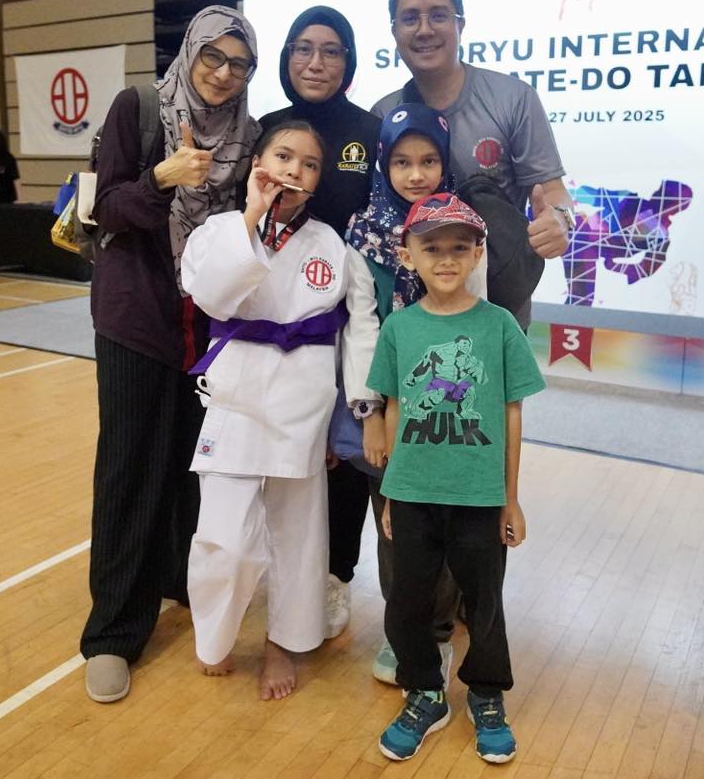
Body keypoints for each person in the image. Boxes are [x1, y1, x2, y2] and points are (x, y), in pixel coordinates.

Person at [81, 5, 260, 704]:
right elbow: (103, 208)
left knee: (193, 465)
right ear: (190, 52)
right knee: (129, 465)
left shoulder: (249, 136)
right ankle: (112, 632)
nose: (221, 72)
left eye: (237, 62)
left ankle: (176, 582)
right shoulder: (138, 109)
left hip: (211, 323)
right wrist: (165, 176)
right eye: (211, 56)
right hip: (137, 314)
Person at [366, 192, 545, 764]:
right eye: (431, 247)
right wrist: (391, 493)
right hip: (413, 496)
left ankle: (487, 693)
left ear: (477, 254)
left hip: (478, 495)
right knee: (406, 603)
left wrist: (510, 499)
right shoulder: (398, 327)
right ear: (409, 254)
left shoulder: (497, 328)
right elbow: (393, 407)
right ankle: (425, 691)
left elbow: (512, 413)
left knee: (483, 601)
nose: (445, 259)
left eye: (458, 248)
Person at [182, 122, 343, 700]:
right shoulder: (219, 231)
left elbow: (344, 334)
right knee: (222, 535)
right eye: (282, 156)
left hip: (304, 397)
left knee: (297, 536)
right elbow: (210, 297)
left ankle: (282, 645)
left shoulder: (328, 242)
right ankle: (216, 635)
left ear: (319, 181)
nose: (293, 170)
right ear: (257, 162)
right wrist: (250, 218)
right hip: (235, 396)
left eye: (309, 164)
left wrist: (343, 420)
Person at [341, 103, 485, 686]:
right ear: (384, 161)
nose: (416, 173)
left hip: (448, 403)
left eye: (429, 160)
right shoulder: (364, 231)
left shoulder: (467, 227)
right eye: (402, 160)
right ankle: (403, 636)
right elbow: (362, 324)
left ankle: (439, 633)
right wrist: (372, 412)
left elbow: (476, 317)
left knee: (448, 519)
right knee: (396, 526)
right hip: (384, 405)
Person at [259, 6, 381, 640]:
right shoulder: (267, 129)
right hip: (274, 320)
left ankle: (335, 579)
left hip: (345, 320)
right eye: (303, 48)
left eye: (331, 51)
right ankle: (282, 571)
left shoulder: (370, 130)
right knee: (283, 445)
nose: (315, 62)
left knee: (342, 451)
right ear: (285, 58)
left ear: (349, 62)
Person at [370, 0, 576, 322]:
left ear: (459, 24)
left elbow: (554, 193)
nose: (424, 29)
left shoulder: (514, 99)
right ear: (394, 31)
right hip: (412, 313)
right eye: (410, 18)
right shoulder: (384, 114)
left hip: (497, 309)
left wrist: (560, 220)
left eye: (438, 15)